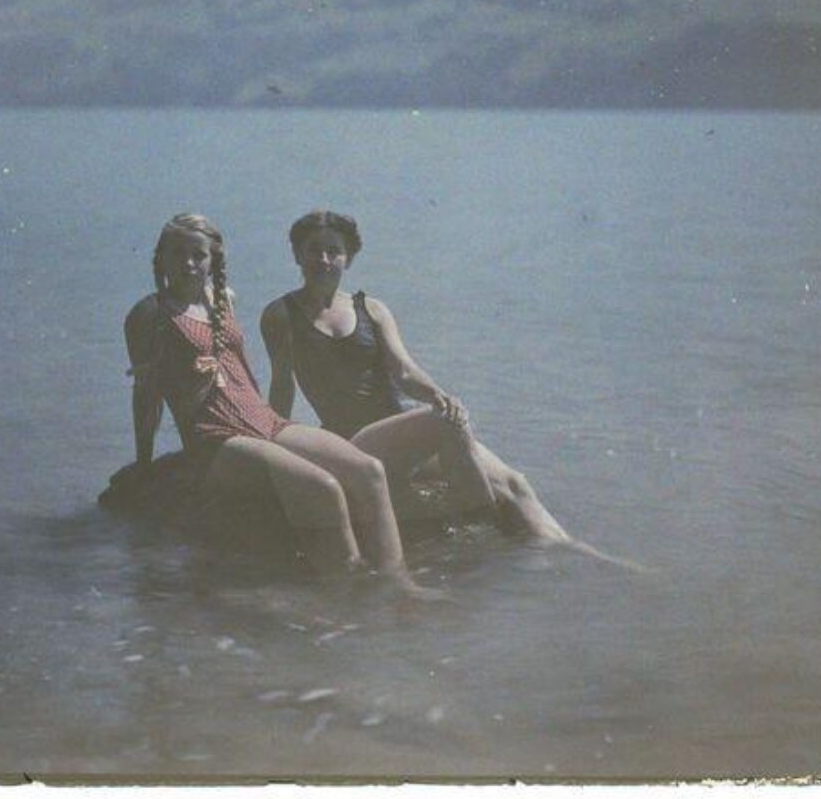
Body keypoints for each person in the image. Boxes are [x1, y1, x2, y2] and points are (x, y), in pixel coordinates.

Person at [261, 210, 630, 565]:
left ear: (349, 259)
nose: (324, 260)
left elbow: (404, 372)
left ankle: (575, 551)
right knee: (443, 424)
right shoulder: (282, 315)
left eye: (334, 251)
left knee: (513, 483)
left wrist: (439, 395)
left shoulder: (370, 308)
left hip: (399, 432)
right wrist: (276, 457)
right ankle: (484, 532)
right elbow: (281, 390)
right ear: (297, 254)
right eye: (314, 250)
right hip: (354, 444)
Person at [122, 213, 441, 597]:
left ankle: (399, 585)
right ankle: (351, 591)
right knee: (322, 487)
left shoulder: (223, 299)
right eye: (178, 253)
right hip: (214, 437)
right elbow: (146, 395)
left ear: (213, 261)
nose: (189, 263)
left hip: (263, 419)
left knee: (369, 470)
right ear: (161, 258)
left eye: (198, 254)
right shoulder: (149, 314)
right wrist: (143, 465)